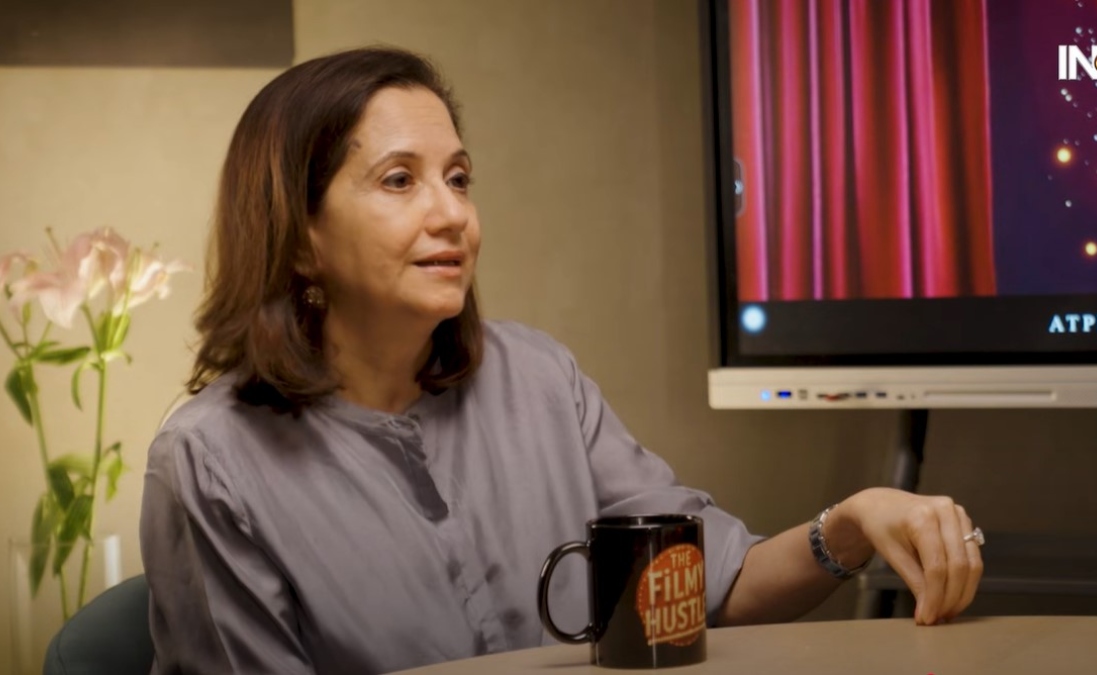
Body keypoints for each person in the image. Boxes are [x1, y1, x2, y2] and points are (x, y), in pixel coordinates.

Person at [139, 46, 984, 675]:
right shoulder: (209, 462)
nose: (452, 214)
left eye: (459, 178)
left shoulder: (540, 378)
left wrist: (850, 524)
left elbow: (707, 587)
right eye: (400, 180)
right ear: (299, 237)